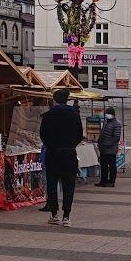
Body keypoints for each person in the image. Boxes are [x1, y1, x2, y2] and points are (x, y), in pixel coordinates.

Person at [39, 88, 83, 226]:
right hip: (69, 154)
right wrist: (70, 145)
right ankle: (66, 216)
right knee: (69, 185)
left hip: (53, 154)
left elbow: (43, 136)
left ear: (54, 100)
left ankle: (54, 214)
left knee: (52, 184)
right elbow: (79, 135)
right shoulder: (74, 115)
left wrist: (52, 145)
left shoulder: (48, 116)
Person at [95, 106, 121, 186]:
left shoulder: (116, 124)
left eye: (109, 114)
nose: (107, 115)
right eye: (107, 114)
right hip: (103, 148)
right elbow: (102, 134)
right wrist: (99, 142)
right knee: (103, 165)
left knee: (112, 165)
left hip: (111, 148)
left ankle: (111, 181)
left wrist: (107, 144)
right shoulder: (106, 122)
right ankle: (103, 180)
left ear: (113, 114)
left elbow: (116, 137)